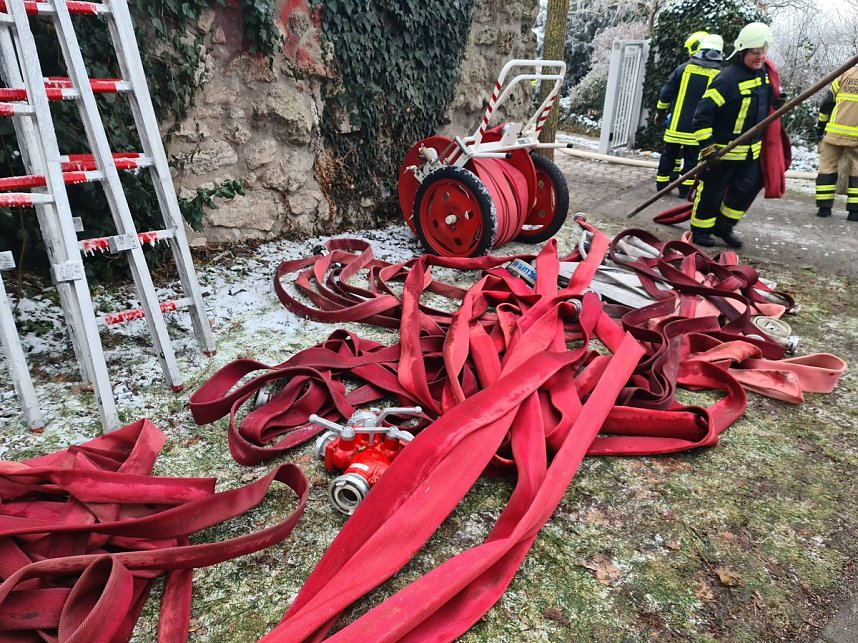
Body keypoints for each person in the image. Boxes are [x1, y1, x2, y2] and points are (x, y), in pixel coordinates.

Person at [689, 22, 781, 249]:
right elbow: (702, 115)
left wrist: (776, 102)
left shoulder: (764, 75)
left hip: (751, 151)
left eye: (763, 52)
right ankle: (701, 230)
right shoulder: (727, 79)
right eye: (754, 52)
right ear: (742, 52)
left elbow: (761, 107)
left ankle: (724, 226)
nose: (760, 57)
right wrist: (708, 148)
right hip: (723, 151)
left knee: (744, 191)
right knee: (712, 192)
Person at [654, 33, 724, 198]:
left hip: (676, 126)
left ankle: (661, 186)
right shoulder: (719, 75)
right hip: (697, 130)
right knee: (691, 160)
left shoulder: (684, 68)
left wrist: (660, 114)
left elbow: (666, 93)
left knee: (668, 155)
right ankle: (685, 191)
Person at [815, 64, 858, 221]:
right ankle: (855, 212)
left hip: (833, 133)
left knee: (827, 167)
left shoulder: (844, 75)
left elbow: (826, 105)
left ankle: (824, 208)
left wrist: (820, 130)